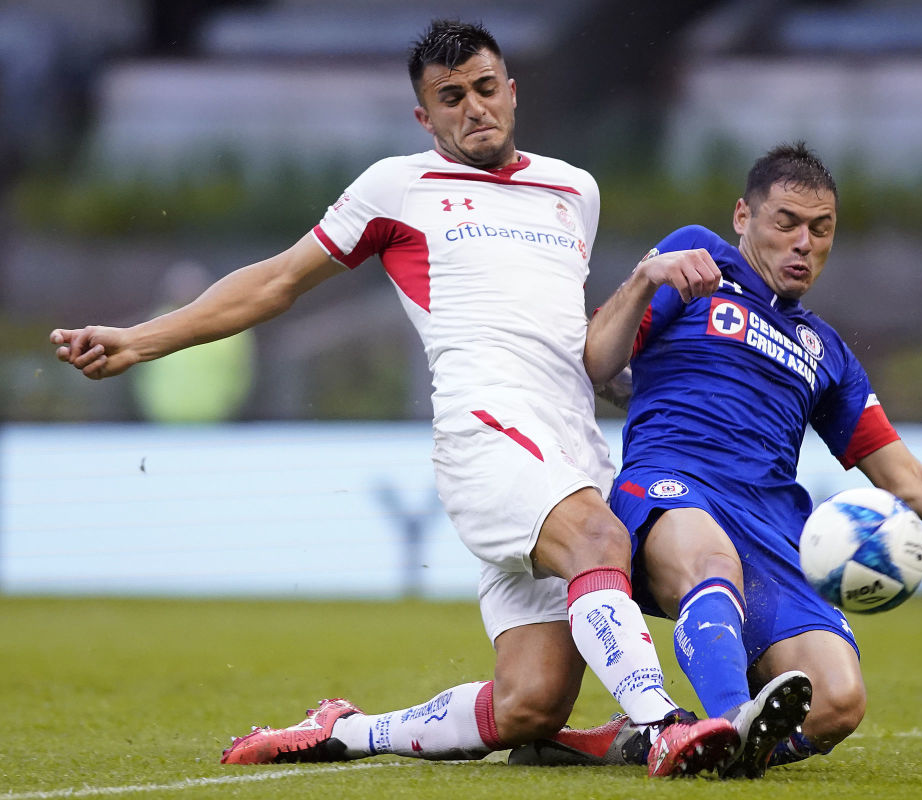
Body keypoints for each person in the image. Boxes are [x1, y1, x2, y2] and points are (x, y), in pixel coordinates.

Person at [48, 19, 746, 778]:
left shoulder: (574, 190)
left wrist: (629, 378)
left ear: (511, 92)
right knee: (601, 543)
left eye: (485, 89)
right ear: (425, 116)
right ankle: (662, 724)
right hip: (487, 435)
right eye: (451, 98)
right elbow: (278, 280)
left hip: (572, 443)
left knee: (530, 704)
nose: (474, 108)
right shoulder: (397, 187)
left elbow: (562, 334)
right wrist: (142, 339)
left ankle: (345, 730)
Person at [508, 142, 922, 778]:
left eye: (821, 229)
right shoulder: (696, 261)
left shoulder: (828, 354)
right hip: (673, 486)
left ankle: (657, 740)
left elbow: (906, 480)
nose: (804, 243)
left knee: (838, 701)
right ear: (743, 217)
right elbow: (597, 362)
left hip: (773, 528)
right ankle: (728, 723)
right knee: (710, 562)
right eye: (787, 223)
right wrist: (646, 276)